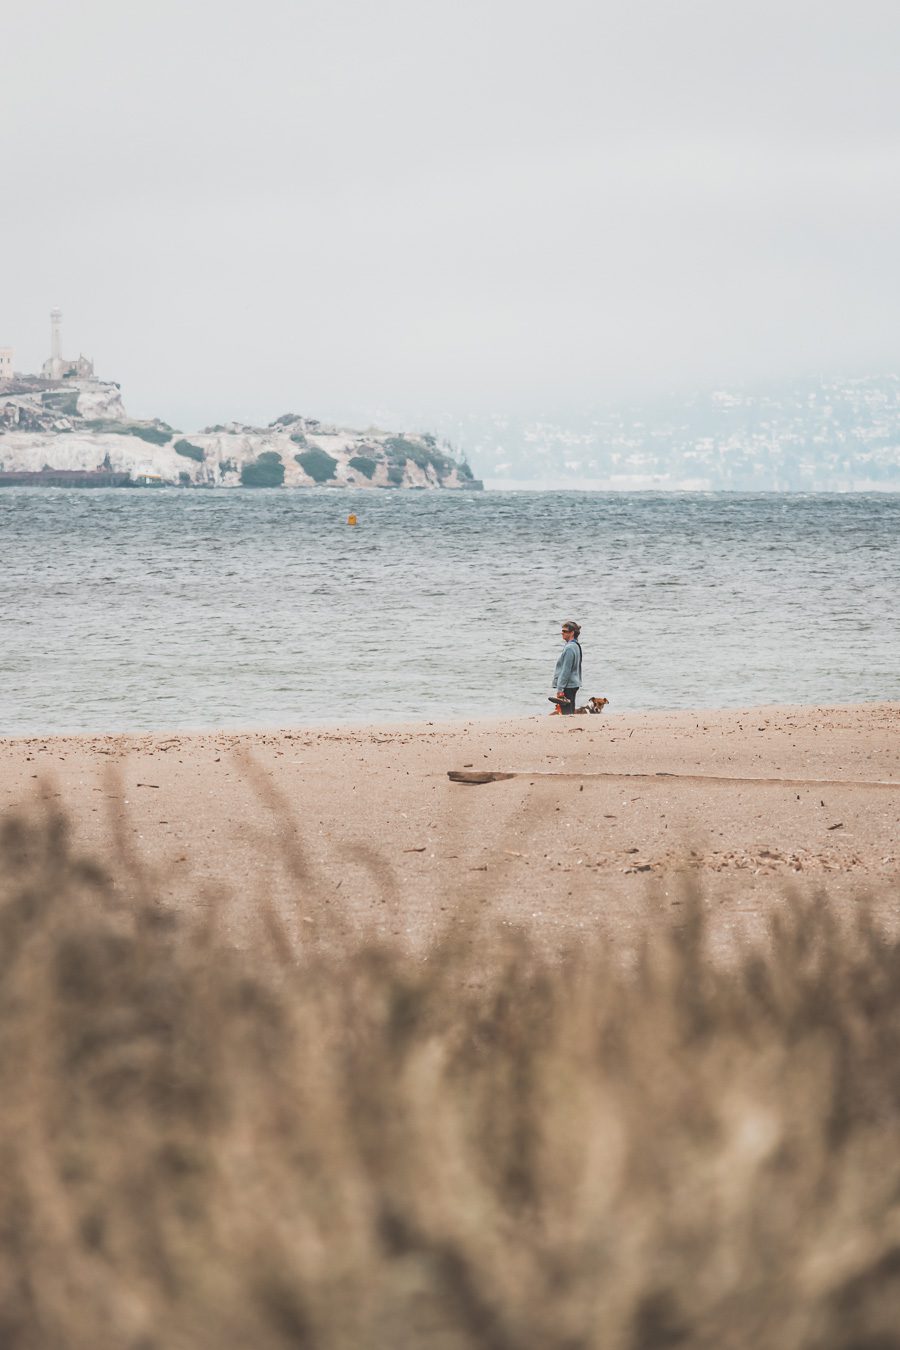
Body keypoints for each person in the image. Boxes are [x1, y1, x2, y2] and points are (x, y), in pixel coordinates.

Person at [551, 621, 582, 715]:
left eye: (565, 631)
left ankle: (568, 728)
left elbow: (566, 671)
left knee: (566, 714)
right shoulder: (576, 646)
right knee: (571, 712)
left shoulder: (569, 648)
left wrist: (560, 689)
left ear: (572, 632)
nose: (562, 633)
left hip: (568, 685)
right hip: (574, 683)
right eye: (562, 631)